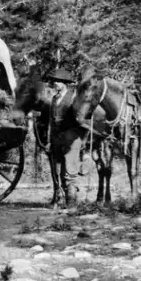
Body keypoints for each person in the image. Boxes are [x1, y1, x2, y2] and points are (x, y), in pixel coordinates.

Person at [46, 69, 84, 206]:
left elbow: (81, 119)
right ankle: (61, 198)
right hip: (56, 138)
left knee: (70, 168)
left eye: (57, 81)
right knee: (57, 169)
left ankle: (71, 200)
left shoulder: (74, 97)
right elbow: (51, 121)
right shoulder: (54, 99)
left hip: (71, 136)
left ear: (64, 83)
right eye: (54, 81)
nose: (54, 83)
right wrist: (49, 141)